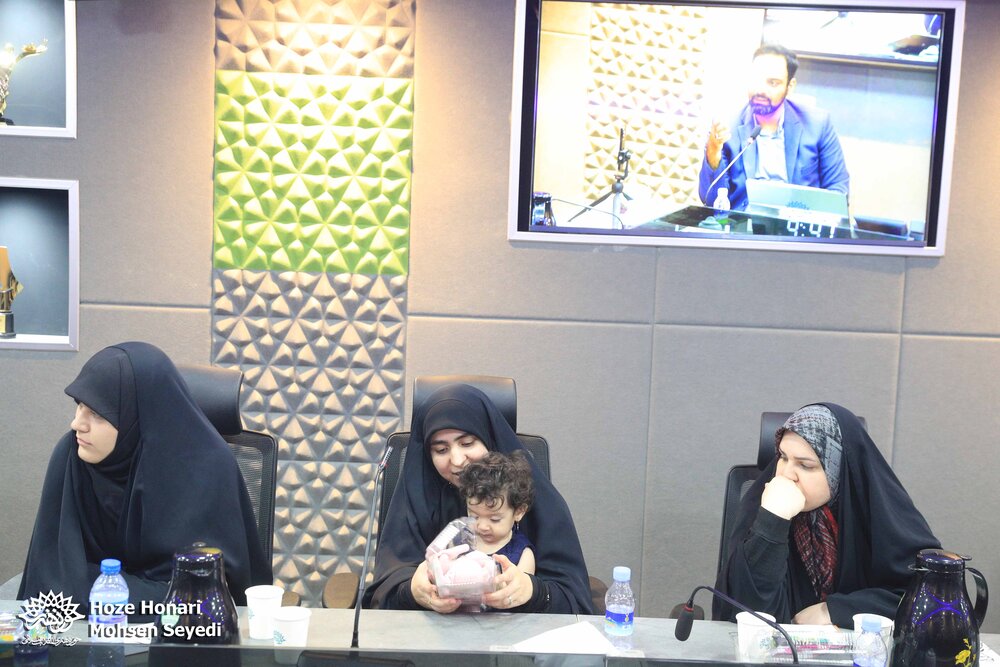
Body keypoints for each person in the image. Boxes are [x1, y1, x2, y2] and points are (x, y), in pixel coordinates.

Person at [17, 341, 271, 607]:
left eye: (97, 414)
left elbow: (200, 595)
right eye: (79, 405)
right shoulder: (73, 453)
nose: (77, 424)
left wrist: (98, 589)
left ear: (134, 418)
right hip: (92, 621)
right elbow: (51, 576)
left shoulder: (206, 467)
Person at [364, 384, 593, 614]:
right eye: (441, 450)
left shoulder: (535, 501)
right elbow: (383, 593)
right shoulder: (416, 498)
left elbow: (574, 599)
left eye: (467, 443)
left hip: (514, 632)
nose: (457, 460)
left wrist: (532, 591)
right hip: (431, 632)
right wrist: (412, 591)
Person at [714, 403, 940, 627]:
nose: (786, 474)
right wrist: (772, 522)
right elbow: (749, 615)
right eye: (782, 457)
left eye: (805, 465)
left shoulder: (876, 510)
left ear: (838, 470)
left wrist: (835, 610)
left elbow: (933, 596)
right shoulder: (760, 505)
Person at [698, 44, 850, 212]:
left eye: (773, 83)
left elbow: (838, 191)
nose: (761, 90)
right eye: (755, 79)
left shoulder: (817, 124)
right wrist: (713, 153)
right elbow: (710, 200)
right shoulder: (727, 126)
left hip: (796, 222)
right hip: (742, 223)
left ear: (789, 87)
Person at [458, 450, 536, 574]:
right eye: (474, 516)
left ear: (519, 512)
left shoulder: (523, 555)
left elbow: (521, 586)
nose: (482, 526)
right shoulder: (461, 539)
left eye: (494, 519)